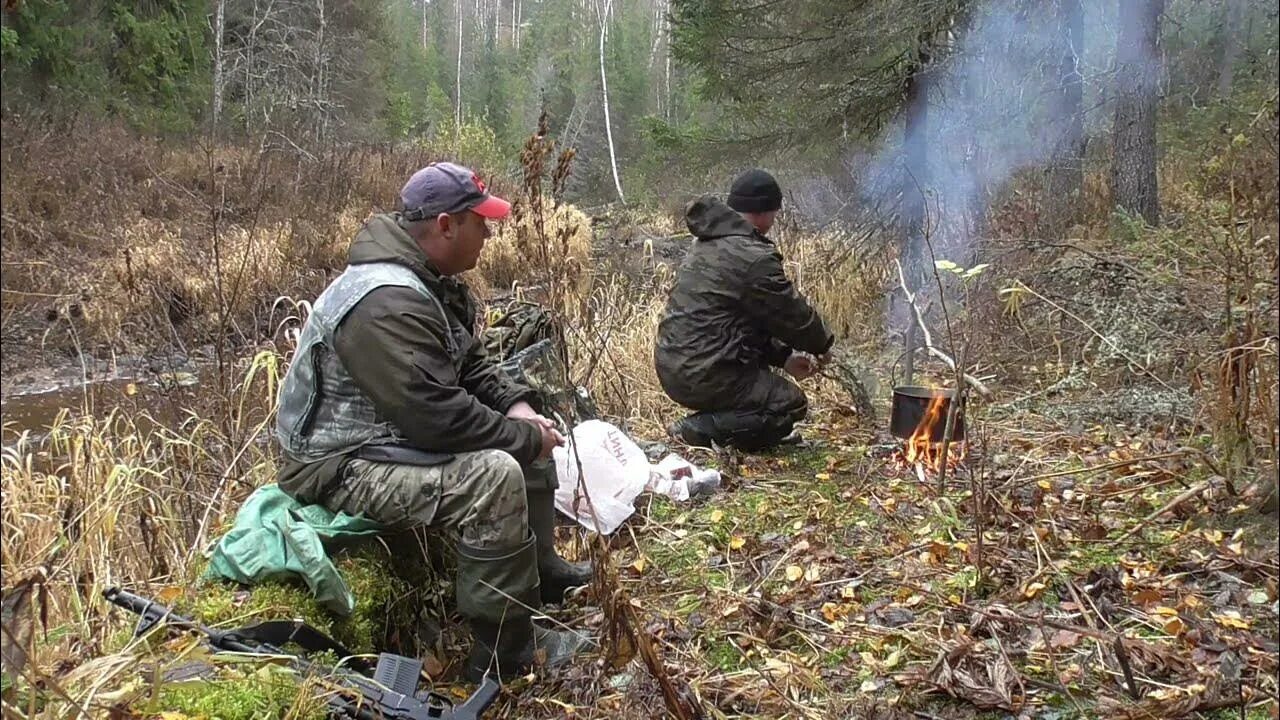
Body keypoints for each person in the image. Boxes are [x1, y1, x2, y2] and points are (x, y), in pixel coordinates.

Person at [273, 162, 590, 682]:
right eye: (479, 221)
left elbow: (471, 366)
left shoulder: (427, 280)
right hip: (336, 464)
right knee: (494, 473)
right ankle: (507, 650)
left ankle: (544, 573)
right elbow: (434, 418)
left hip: (386, 440)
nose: (489, 232)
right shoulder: (385, 301)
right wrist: (521, 438)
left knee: (523, 433)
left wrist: (518, 407)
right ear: (445, 225)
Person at [655, 168, 834, 451]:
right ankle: (697, 431)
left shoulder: (708, 243)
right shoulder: (751, 257)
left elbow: (741, 324)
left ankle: (725, 425)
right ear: (762, 211)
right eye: (774, 211)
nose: (775, 219)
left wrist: (785, 357)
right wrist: (823, 343)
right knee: (789, 405)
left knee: (770, 395)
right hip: (702, 373)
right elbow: (791, 315)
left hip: (676, 365)